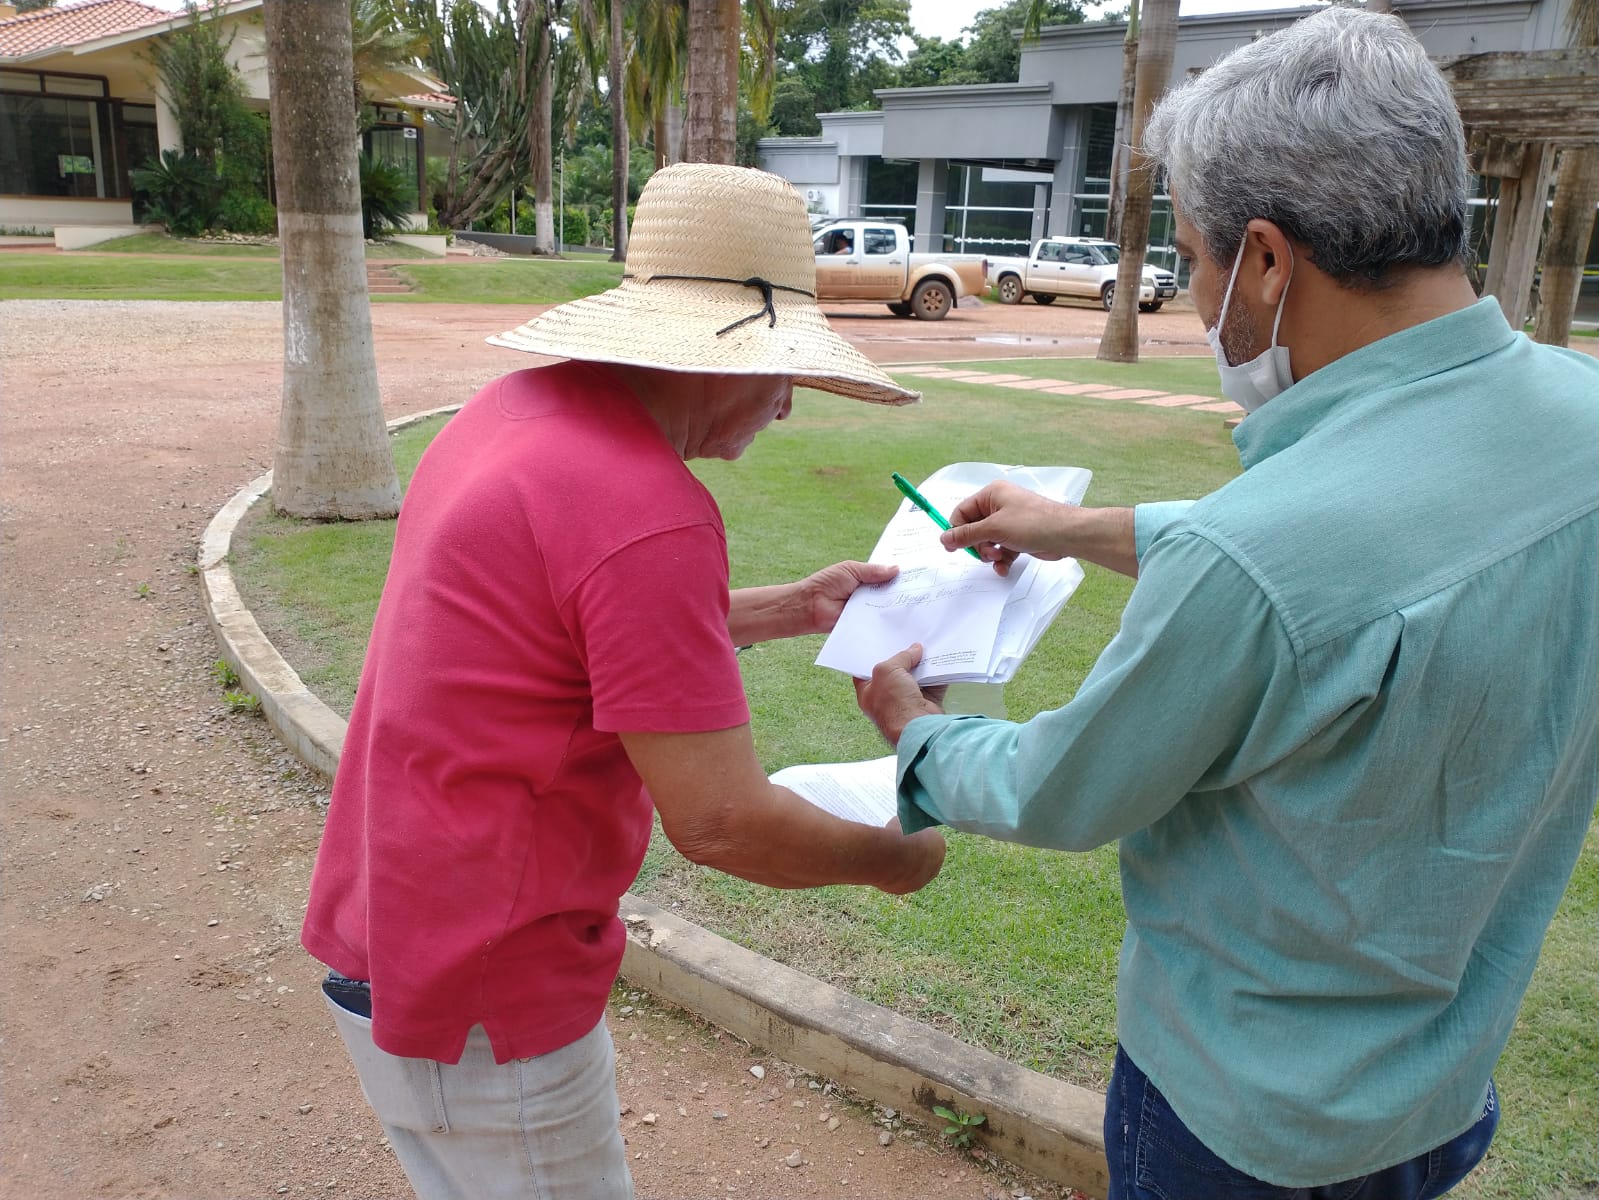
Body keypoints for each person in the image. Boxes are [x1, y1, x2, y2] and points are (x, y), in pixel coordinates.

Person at [853, 8, 1597, 1199]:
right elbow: (1358, 574)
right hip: (1442, 1089)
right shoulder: (1581, 421)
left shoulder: (1259, 557)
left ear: (1263, 260)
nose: (1194, 296)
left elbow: (1065, 786)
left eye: (1192, 255)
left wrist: (916, 732)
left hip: (1240, 1117)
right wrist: (1073, 528)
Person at [301, 162, 946, 1200]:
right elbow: (723, 821)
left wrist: (789, 606)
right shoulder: (647, 509)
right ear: (712, 358)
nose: (786, 408)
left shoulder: (515, 414)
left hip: (395, 923)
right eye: (784, 374)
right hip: (490, 980)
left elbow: (565, 632)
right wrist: (895, 859)